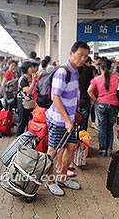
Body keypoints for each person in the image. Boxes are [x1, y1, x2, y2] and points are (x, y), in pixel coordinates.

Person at [45, 41, 90, 196]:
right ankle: (50, 181)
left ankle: (62, 178)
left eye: (85, 56)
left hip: (69, 119)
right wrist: (66, 120)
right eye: (80, 55)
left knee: (71, 147)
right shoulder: (63, 72)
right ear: (71, 53)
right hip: (59, 119)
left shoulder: (75, 71)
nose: (83, 59)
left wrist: (72, 118)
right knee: (53, 151)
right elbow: (55, 97)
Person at [16, 61, 37, 136]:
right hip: (22, 102)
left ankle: (26, 138)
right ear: (26, 69)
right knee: (22, 122)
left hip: (29, 102)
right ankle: (18, 140)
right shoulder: (23, 79)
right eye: (30, 67)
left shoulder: (30, 77)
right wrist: (34, 80)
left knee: (28, 121)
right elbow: (28, 91)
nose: (32, 69)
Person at [78, 57, 95, 131]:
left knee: (75, 117)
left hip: (75, 98)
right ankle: (82, 137)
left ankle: (73, 136)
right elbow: (92, 83)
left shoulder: (76, 69)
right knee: (84, 118)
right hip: (85, 97)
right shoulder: (89, 70)